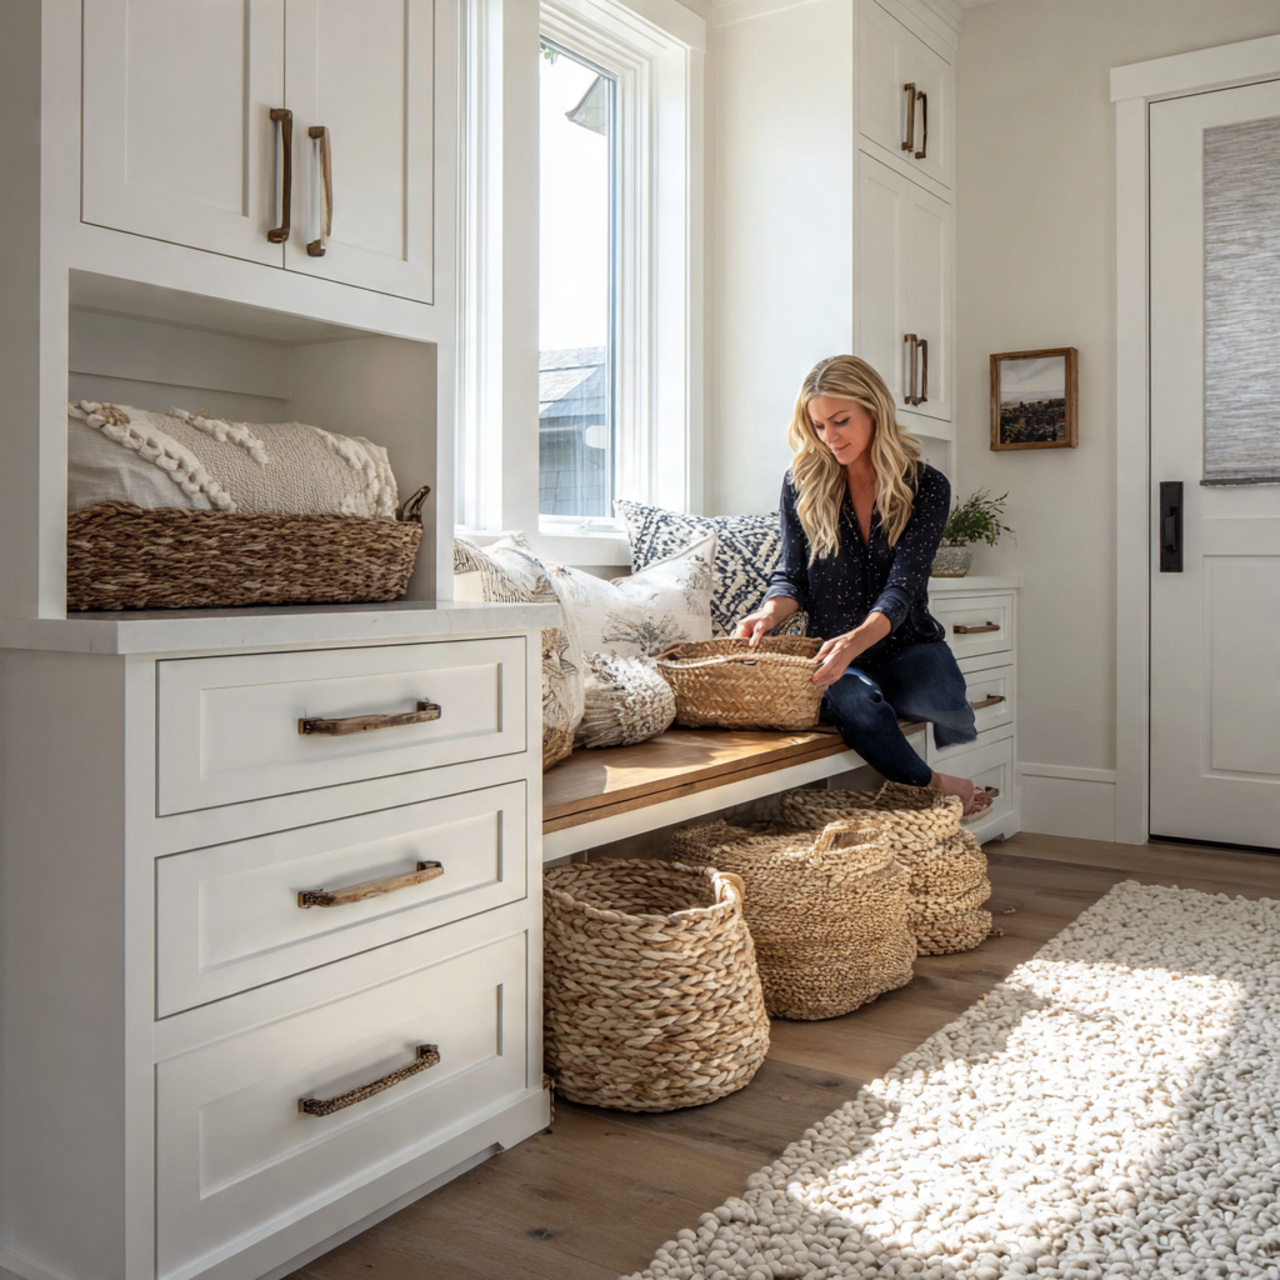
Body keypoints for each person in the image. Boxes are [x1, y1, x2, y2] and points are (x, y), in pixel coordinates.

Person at [736, 354, 993, 815]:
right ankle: (933, 783)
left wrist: (856, 641)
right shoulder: (801, 483)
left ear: (873, 410)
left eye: (840, 421)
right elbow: (791, 574)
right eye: (817, 426)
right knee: (850, 695)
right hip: (834, 651)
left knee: (947, 703)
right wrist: (769, 612)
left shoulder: (927, 486)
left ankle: (887, 725)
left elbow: (904, 586)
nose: (829, 438)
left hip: (905, 645)